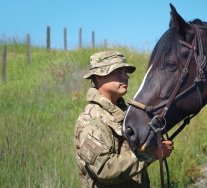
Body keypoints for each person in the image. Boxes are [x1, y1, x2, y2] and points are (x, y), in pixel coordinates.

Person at [74, 51, 174, 188]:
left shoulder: (126, 113)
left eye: (126, 72)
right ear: (99, 77)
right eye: (118, 72)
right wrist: (151, 155)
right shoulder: (92, 120)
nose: (126, 76)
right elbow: (104, 169)